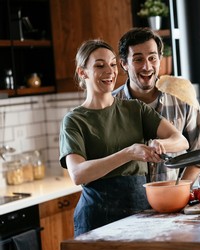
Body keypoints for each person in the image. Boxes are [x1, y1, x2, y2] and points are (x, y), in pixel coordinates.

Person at [59, 39, 189, 236]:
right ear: (82, 72)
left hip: (141, 212)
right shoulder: (74, 120)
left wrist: (160, 143)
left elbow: (181, 140)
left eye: (112, 64)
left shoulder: (135, 109)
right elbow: (78, 174)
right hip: (97, 218)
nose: (110, 71)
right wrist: (128, 153)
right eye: (99, 65)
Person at [113, 27, 200, 184]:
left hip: (173, 200)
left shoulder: (182, 97)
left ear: (160, 58)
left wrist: (179, 190)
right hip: (127, 205)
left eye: (152, 58)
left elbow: (199, 153)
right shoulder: (110, 104)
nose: (147, 67)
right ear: (124, 63)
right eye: (138, 59)